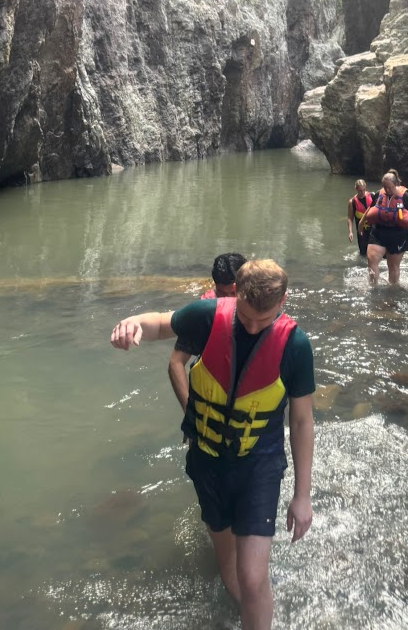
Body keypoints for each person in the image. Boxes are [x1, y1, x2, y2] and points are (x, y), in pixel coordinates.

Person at [110, 259, 315, 630]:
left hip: (259, 466)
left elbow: (301, 422)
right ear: (236, 295)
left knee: (252, 577)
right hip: (207, 460)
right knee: (229, 570)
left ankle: (257, 611)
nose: (252, 327)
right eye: (246, 317)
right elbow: (158, 322)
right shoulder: (207, 316)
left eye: (263, 320)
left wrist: (302, 495)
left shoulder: (295, 346)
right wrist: (131, 324)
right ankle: (251, 613)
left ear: (284, 300)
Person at [169, 253, 247, 414]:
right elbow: (176, 363)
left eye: (234, 294)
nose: (228, 301)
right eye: (222, 294)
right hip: (211, 394)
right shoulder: (204, 313)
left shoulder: (261, 308)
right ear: (215, 287)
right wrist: (189, 413)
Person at [358, 171, 408, 285]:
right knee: (371, 260)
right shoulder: (379, 194)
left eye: (389, 187)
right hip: (379, 231)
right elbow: (370, 209)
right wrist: (361, 223)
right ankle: (373, 287)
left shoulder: (405, 196)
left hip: (398, 234)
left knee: (393, 266)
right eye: (384, 187)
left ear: (396, 184)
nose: (387, 190)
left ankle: (393, 290)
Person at [347, 179, 375, 256]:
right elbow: (350, 218)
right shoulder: (352, 202)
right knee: (363, 253)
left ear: (365, 187)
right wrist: (350, 232)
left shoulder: (372, 196)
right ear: (356, 189)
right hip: (361, 231)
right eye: (360, 191)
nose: (362, 193)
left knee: (375, 251)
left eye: (363, 190)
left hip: (373, 229)